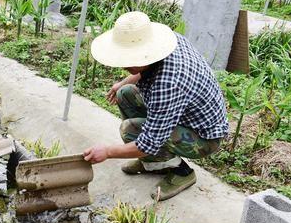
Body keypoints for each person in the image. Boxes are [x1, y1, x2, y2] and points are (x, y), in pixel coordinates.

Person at [83, 11, 229, 201]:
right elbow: (143, 68)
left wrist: (107, 152)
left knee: (130, 131)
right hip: (185, 113)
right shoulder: (166, 44)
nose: (124, 64)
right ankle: (152, 162)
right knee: (125, 94)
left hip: (203, 137)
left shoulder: (168, 85)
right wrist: (122, 83)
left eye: (130, 59)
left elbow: (148, 143)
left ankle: (181, 172)